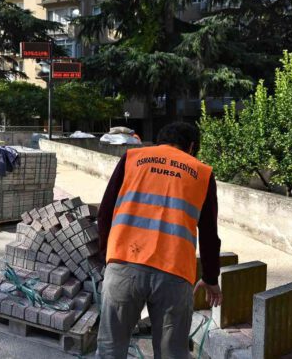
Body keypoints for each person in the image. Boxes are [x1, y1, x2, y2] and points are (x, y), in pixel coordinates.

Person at [95, 122, 222, 359]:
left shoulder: (132, 158)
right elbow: (208, 233)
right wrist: (211, 278)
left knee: (110, 349)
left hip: (124, 264)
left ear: (159, 141)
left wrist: (108, 258)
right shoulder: (202, 173)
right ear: (192, 147)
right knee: (171, 353)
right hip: (174, 275)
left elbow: (105, 213)